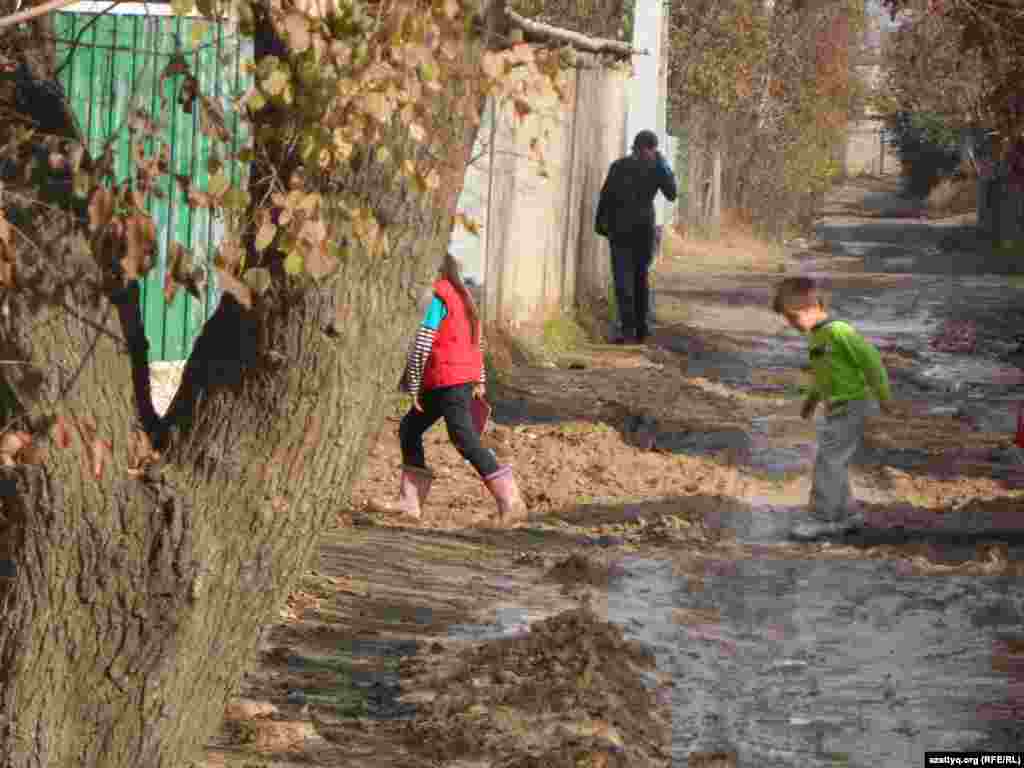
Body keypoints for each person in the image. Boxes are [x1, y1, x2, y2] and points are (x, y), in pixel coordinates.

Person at [373, 253, 526, 524]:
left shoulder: (436, 297)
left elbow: (422, 342)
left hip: (447, 379)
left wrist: (413, 387)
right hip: (454, 377)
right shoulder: (462, 296)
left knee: (464, 438)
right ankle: (410, 504)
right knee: (410, 428)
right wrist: (479, 379)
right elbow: (476, 342)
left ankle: (511, 500)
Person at [772, 276, 893, 540]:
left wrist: (884, 397)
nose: (792, 325)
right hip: (837, 407)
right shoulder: (816, 337)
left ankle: (821, 517)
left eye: (793, 318)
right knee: (833, 462)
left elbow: (872, 362)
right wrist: (811, 401)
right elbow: (822, 375)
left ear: (813, 306)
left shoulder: (839, 331)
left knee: (828, 462)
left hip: (852, 405)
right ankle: (847, 514)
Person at [595, 130, 677, 344]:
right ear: (644, 149)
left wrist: (661, 164)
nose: (646, 155)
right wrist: (602, 223)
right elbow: (606, 197)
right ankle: (630, 328)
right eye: (647, 151)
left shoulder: (650, 168)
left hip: (637, 232)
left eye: (649, 152)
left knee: (636, 279)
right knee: (626, 280)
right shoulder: (624, 167)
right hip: (626, 231)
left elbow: (671, 193)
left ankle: (636, 328)